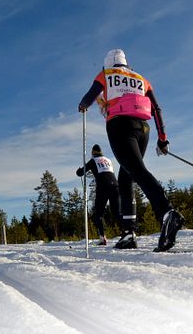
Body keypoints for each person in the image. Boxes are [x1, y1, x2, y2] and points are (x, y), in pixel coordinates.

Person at [78, 48, 185, 251]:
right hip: (143, 127)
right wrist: (163, 139)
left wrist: (83, 105)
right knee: (126, 177)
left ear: (108, 63)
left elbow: (89, 96)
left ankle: (167, 213)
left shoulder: (106, 74)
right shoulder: (141, 79)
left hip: (120, 125)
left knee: (137, 171)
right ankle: (128, 232)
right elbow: (156, 108)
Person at [76, 144, 120, 246]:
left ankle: (102, 237)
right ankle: (126, 233)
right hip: (115, 186)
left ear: (93, 153)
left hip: (103, 187)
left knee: (98, 213)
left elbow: (80, 173)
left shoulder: (94, 160)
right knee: (117, 212)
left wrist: (79, 170)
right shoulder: (108, 160)